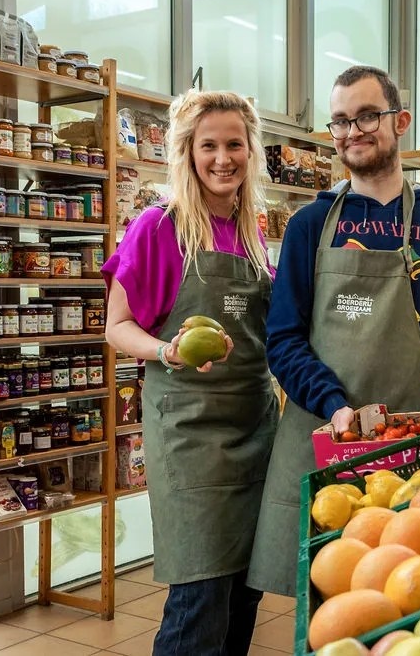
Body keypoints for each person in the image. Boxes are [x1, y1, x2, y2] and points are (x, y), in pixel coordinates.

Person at [248, 65, 420, 597]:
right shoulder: (310, 225)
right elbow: (283, 340)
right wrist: (334, 403)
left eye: (367, 116)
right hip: (322, 433)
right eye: (340, 121)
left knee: (405, 594)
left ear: (400, 121)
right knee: (326, 605)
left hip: (405, 441)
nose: (353, 131)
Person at [102, 89, 278, 655]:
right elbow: (117, 326)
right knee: (200, 595)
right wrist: (166, 352)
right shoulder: (159, 228)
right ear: (187, 151)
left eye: (234, 144)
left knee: (245, 591)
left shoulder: (254, 234)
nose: (222, 158)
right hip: (189, 431)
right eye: (209, 145)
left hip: (254, 426)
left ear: (251, 151)